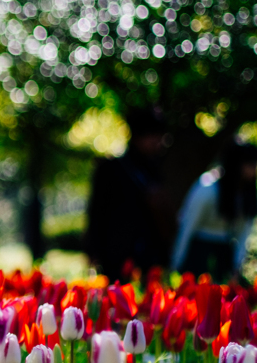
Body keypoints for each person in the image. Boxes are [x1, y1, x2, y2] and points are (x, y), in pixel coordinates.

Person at [85, 109, 173, 281]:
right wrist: (93, 251)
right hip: (116, 254)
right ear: (138, 136)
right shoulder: (110, 168)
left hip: (150, 254)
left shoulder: (155, 169)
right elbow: (96, 212)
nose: (159, 142)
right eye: (153, 136)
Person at [171, 141, 257, 281]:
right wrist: (176, 263)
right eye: (250, 164)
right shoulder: (208, 189)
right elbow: (188, 226)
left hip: (224, 253)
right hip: (198, 252)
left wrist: (236, 266)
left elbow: (243, 233)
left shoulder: (246, 194)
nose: (254, 169)